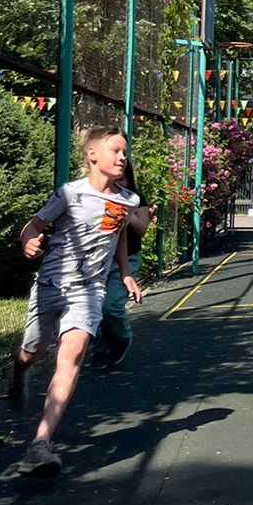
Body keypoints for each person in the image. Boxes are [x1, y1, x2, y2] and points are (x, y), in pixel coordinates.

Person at [9, 125, 141, 475]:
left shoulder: (128, 200)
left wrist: (125, 273)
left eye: (124, 152)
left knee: (72, 353)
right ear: (92, 155)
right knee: (34, 352)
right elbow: (34, 225)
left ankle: (40, 444)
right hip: (51, 285)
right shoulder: (69, 194)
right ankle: (19, 367)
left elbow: (118, 234)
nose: (123, 157)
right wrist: (27, 241)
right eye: (115, 150)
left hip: (89, 290)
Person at [92, 158, 155, 369]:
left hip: (127, 258)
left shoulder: (136, 200)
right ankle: (100, 349)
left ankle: (121, 338)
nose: (118, 185)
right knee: (93, 307)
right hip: (99, 258)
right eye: (114, 180)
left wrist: (126, 213)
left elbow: (142, 229)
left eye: (122, 180)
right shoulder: (96, 197)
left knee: (112, 305)